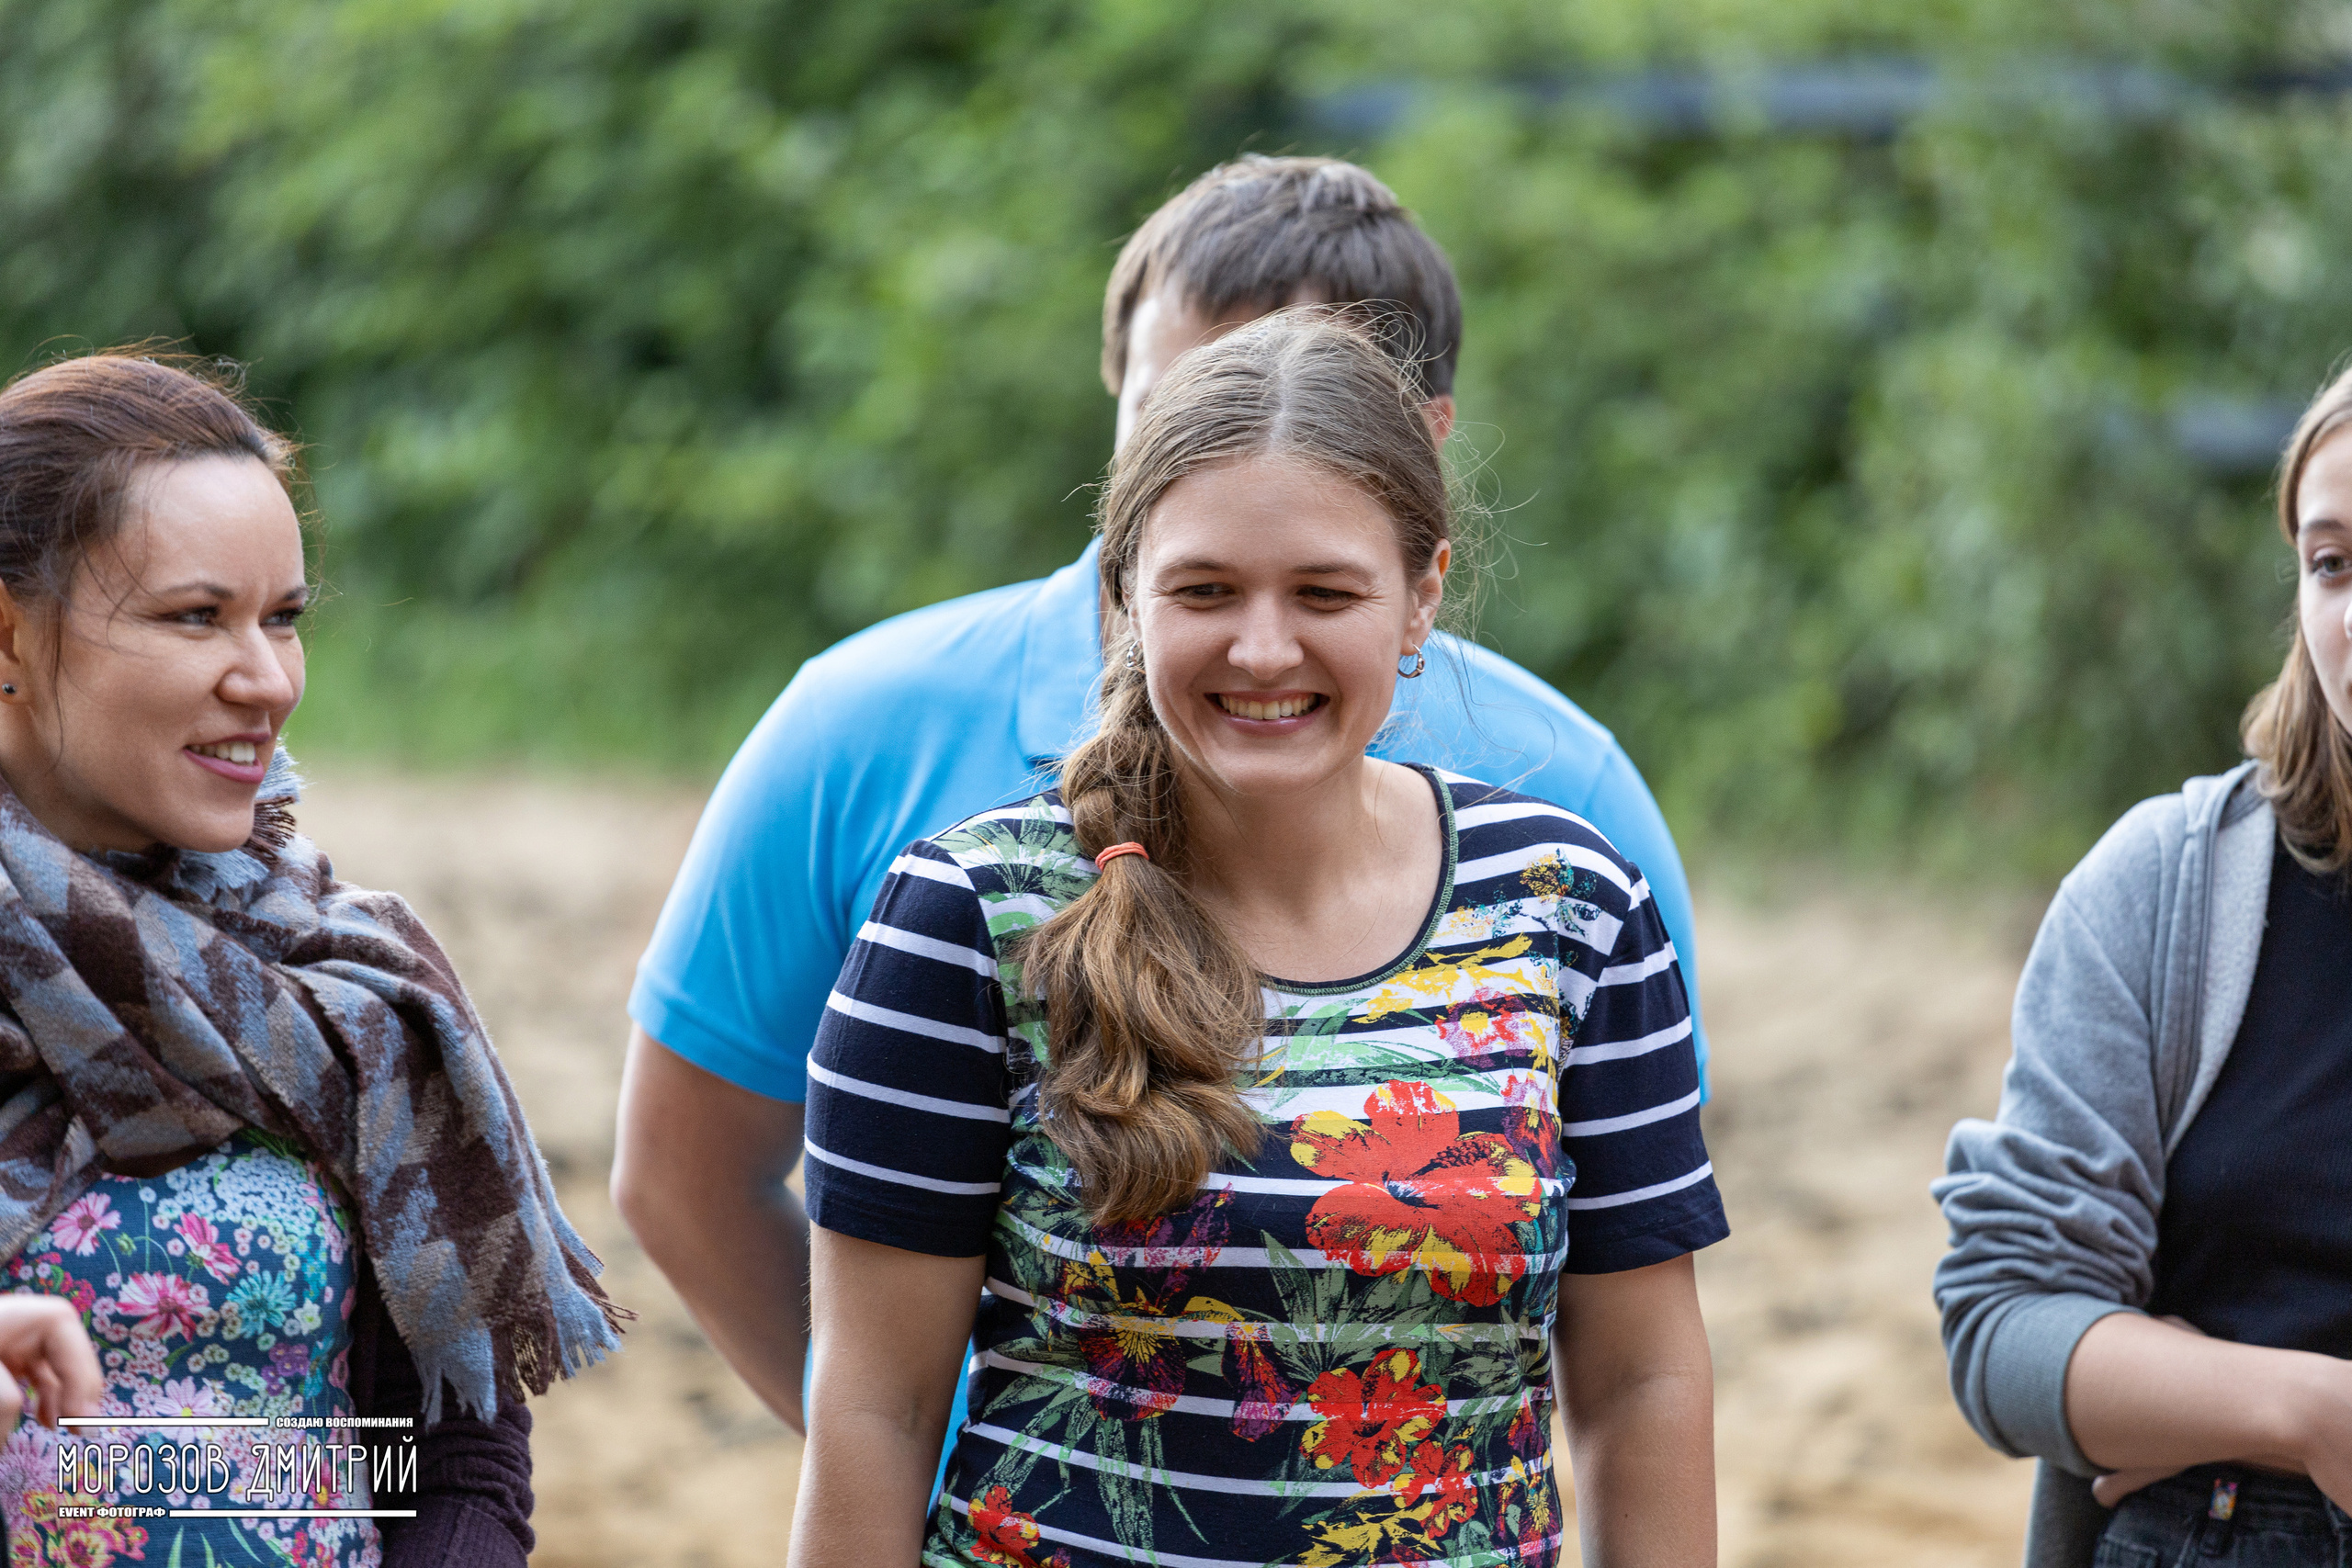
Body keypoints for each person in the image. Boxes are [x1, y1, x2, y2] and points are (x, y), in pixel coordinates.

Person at [615, 153, 1711, 1450]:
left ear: (1421, 453)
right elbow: (686, 1171)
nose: (1246, 437)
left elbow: (1621, 1289)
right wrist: (922, 1460)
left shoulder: (1565, 805)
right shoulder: (856, 733)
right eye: (1180, 403)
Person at [788, 309, 1724, 1565]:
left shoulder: (1573, 907)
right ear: (1126, 601)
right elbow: (872, 1409)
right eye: (1207, 591)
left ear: (1420, 598)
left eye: (1326, 592)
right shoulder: (967, 922)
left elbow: (1644, 1384)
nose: (1264, 647)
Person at [0, 351, 624, 1565]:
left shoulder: (349, 991)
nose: (269, 679)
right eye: (196, 616)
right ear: (9, 632)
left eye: (284, 618)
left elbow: (442, 1459)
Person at [1935, 363, 2352, 1567]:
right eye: (2332, 564)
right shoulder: (2167, 890)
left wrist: (2176, 1383)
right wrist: (2305, 1414)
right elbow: (2007, 1323)